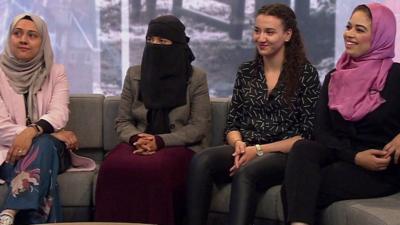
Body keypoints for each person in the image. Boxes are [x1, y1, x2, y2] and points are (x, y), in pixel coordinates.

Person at [186, 3, 320, 225]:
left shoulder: (306, 75)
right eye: (257, 30)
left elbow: (305, 137)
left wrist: (257, 151)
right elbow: (232, 123)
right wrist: (238, 144)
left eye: (269, 32)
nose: (261, 38)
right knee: (201, 160)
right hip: (245, 147)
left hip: (282, 153)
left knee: (246, 172)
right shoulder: (246, 71)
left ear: (287, 35)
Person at [281, 3, 400, 225]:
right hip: (344, 156)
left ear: (380, 36)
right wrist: (354, 156)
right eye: (348, 27)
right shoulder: (334, 77)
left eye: (360, 30)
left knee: (297, 189)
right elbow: (322, 132)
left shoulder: (397, 76)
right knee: (303, 148)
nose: (349, 34)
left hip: (379, 170)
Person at [95, 15, 211, 225]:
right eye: (151, 40)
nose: (155, 46)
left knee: (155, 170)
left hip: (180, 146)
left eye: (163, 42)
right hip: (139, 141)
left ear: (177, 45)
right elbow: (123, 121)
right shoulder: (134, 74)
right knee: (111, 167)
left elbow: (198, 127)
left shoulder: (196, 78)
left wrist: (159, 141)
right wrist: (137, 138)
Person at [0, 13, 95, 225]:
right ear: (10, 37)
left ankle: (11, 208)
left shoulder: (56, 72)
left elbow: (59, 113)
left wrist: (31, 131)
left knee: (43, 144)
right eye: (17, 33)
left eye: (32, 35)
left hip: (52, 149)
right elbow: (1, 126)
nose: (23, 39)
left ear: (43, 41)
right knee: (44, 165)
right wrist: (51, 133)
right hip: (9, 152)